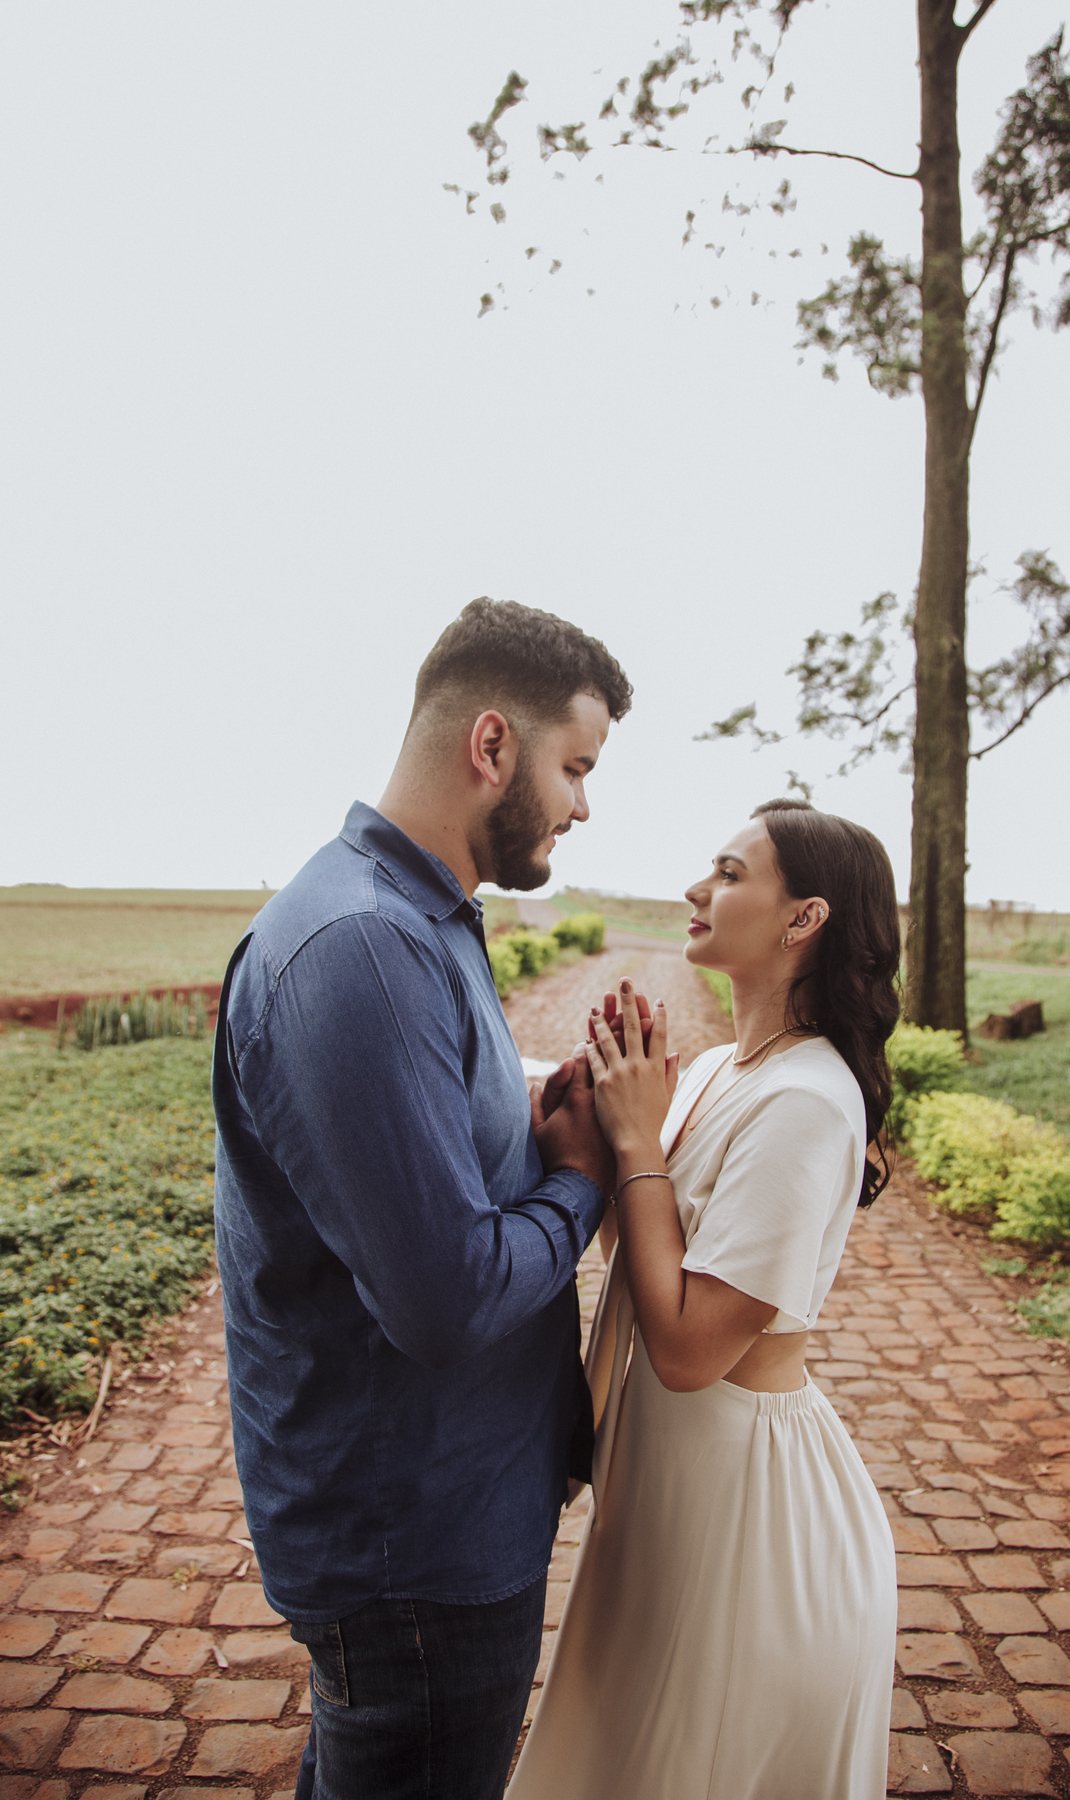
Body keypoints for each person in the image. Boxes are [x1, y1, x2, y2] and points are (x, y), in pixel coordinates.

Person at [210, 597, 632, 1800]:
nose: (584, 806)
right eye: (575, 767)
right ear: (492, 744)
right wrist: (583, 1178)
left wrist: (535, 1111)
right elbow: (445, 1301)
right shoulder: (362, 945)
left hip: (443, 1513)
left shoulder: (421, 918)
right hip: (416, 1554)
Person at [510, 798, 901, 1800]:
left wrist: (638, 1143)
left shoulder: (807, 1100)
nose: (697, 888)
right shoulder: (726, 1068)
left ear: (803, 918)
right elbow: (649, 1271)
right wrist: (600, 1130)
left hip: (743, 1519)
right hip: (668, 1493)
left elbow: (688, 1352)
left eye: (729, 874)